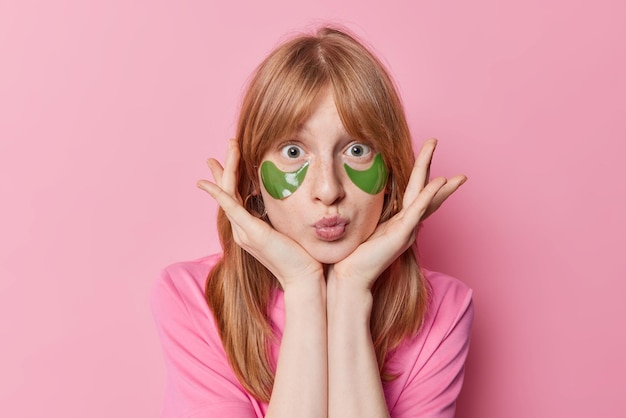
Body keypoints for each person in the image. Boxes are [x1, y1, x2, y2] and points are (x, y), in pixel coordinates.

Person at [152, 26, 474, 418]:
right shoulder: (193, 300)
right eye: (292, 150)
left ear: (390, 173)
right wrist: (302, 287)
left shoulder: (444, 309)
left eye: (356, 150)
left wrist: (352, 290)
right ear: (252, 178)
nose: (327, 189)